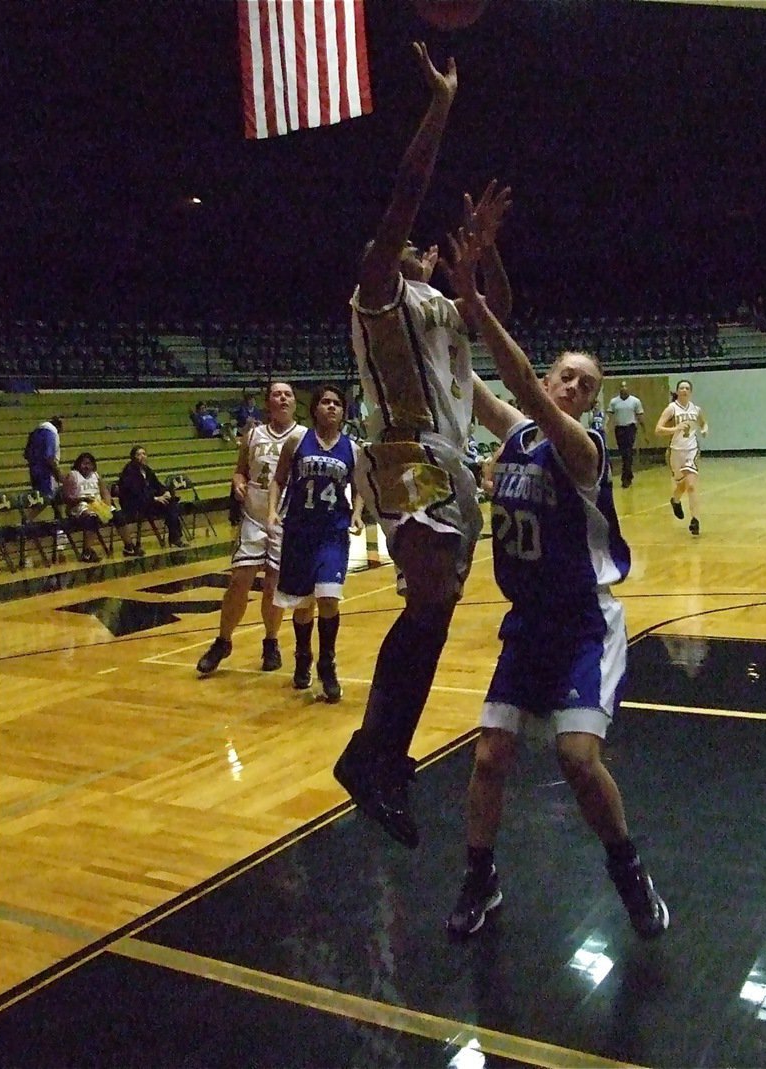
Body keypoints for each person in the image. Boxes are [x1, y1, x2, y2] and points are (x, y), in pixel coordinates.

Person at [440, 225, 669, 940]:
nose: (573, 387)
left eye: (587, 385)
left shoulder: (584, 448)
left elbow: (513, 387)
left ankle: (629, 870)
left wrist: (478, 304)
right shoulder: (515, 432)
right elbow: (468, 380)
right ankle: (481, 878)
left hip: (582, 623)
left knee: (575, 758)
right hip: (528, 622)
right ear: (546, 375)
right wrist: (445, 309)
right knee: (488, 754)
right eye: (565, 375)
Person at [333, 42, 513, 850]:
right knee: (432, 595)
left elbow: (498, 312)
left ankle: (379, 756)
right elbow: (405, 195)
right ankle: (371, 754)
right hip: (405, 456)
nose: (423, 247)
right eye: (419, 245)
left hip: (453, 465)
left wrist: (482, 256)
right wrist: (442, 106)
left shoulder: (443, 305)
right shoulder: (378, 292)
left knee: (433, 616)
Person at [196, 382, 304, 675]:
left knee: (273, 584)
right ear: (268, 402)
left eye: (288, 394)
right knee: (239, 579)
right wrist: (237, 481)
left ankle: (271, 642)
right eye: (276, 394)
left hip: (284, 516)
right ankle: (223, 640)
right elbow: (240, 469)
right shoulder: (253, 434)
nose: (282, 398)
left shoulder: (303, 436)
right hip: (254, 514)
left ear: (294, 402)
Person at [269, 384, 364, 703]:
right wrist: (271, 511)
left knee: (329, 598)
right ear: (314, 409)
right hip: (299, 531)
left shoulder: (352, 449)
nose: (331, 407)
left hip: (332, 533)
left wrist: (357, 514)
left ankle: (328, 663)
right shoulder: (297, 441)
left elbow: (360, 485)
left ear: (343, 411)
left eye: (337, 403)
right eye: (325, 402)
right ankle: (302, 655)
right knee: (303, 604)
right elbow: (279, 479)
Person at [655, 378, 708, 536]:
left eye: (687, 388)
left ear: (690, 392)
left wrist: (704, 430)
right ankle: (675, 500)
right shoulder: (672, 409)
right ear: (677, 391)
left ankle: (695, 520)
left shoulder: (696, 409)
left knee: (691, 485)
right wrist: (675, 428)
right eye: (681, 388)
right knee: (682, 486)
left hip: (691, 449)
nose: (684, 390)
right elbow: (658, 430)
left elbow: (704, 423)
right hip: (675, 451)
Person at [62, 452, 135, 562]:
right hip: (79, 505)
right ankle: (86, 552)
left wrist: (107, 506)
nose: (87, 466)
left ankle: (129, 546)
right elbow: (67, 498)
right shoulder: (73, 475)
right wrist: (82, 499)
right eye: (84, 463)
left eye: (89, 464)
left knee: (118, 515)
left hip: (96, 504)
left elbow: (105, 492)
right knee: (91, 518)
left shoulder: (96, 475)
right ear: (78, 464)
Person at [117, 445, 186, 549]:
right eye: (139, 454)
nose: (142, 456)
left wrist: (165, 492)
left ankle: (175, 537)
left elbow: (157, 485)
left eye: (144, 454)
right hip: (134, 505)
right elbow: (136, 493)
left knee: (171, 503)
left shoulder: (147, 470)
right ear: (133, 457)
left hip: (148, 502)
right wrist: (155, 498)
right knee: (167, 505)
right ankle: (175, 536)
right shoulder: (129, 472)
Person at [23, 415, 63, 521]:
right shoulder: (51, 433)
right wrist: (57, 473)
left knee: (52, 498)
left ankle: (59, 522)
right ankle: (27, 519)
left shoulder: (36, 432)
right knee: (46, 497)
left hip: (34, 469)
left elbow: (26, 454)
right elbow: (49, 457)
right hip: (46, 472)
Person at [607, 382, 644, 488]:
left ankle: (625, 478)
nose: (623, 388)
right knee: (624, 453)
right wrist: (606, 427)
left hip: (630, 428)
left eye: (625, 386)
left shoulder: (635, 401)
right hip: (619, 429)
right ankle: (629, 474)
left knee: (627, 452)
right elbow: (609, 415)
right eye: (621, 386)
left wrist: (644, 430)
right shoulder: (614, 401)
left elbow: (640, 416)